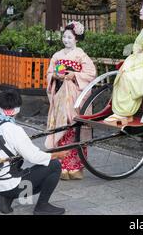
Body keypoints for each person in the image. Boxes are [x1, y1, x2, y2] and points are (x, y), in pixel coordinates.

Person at [0, 89, 69, 215]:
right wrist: (57, 155)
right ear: (17, 109)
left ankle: (5, 198)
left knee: (17, 162)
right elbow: (34, 157)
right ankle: (42, 206)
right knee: (54, 165)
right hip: (14, 186)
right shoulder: (15, 130)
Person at [45, 21, 96, 180]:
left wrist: (74, 75)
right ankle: (61, 167)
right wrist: (54, 76)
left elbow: (91, 73)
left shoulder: (81, 55)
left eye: (70, 37)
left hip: (74, 94)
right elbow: (49, 72)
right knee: (61, 127)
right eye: (64, 36)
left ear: (76, 39)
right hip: (60, 93)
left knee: (74, 129)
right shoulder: (57, 55)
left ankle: (75, 168)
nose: (66, 40)